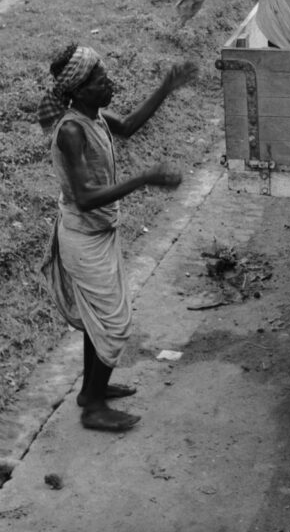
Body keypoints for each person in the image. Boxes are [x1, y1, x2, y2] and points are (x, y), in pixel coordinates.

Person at [38, 44, 197, 431]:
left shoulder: (93, 116)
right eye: (98, 79)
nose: (108, 82)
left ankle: (91, 391)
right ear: (77, 90)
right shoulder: (73, 130)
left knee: (100, 317)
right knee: (114, 322)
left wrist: (165, 88)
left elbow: (126, 125)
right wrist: (144, 179)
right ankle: (93, 407)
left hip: (98, 234)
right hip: (84, 237)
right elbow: (85, 198)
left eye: (105, 73)